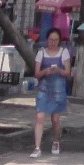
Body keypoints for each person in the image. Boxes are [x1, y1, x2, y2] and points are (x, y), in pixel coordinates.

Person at [31, 28, 71, 158]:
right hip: (44, 90)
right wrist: (45, 72)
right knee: (40, 117)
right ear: (46, 40)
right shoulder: (41, 53)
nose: (53, 42)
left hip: (58, 91)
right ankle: (37, 147)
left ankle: (55, 141)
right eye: (51, 40)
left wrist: (58, 70)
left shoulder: (64, 52)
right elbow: (36, 74)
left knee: (55, 119)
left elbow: (67, 72)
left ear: (59, 41)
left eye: (56, 40)